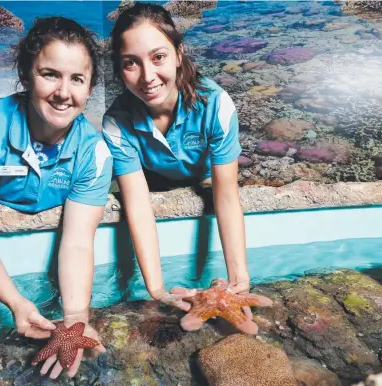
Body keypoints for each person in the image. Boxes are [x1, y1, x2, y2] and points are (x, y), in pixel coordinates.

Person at [0, 16, 110, 379]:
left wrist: (76, 321)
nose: (64, 92)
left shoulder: (95, 153)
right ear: (25, 75)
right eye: (50, 73)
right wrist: (16, 303)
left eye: (77, 79)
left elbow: (79, 242)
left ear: (90, 88)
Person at [103, 3, 267, 317]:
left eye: (158, 57)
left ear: (179, 54)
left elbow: (227, 196)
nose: (147, 76)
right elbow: (137, 204)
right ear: (119, 68)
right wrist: (157, 290)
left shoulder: (215, 104)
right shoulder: (115, 123)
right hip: (152, 181)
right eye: (131, 63)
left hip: (206, 177)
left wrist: (239, 279)